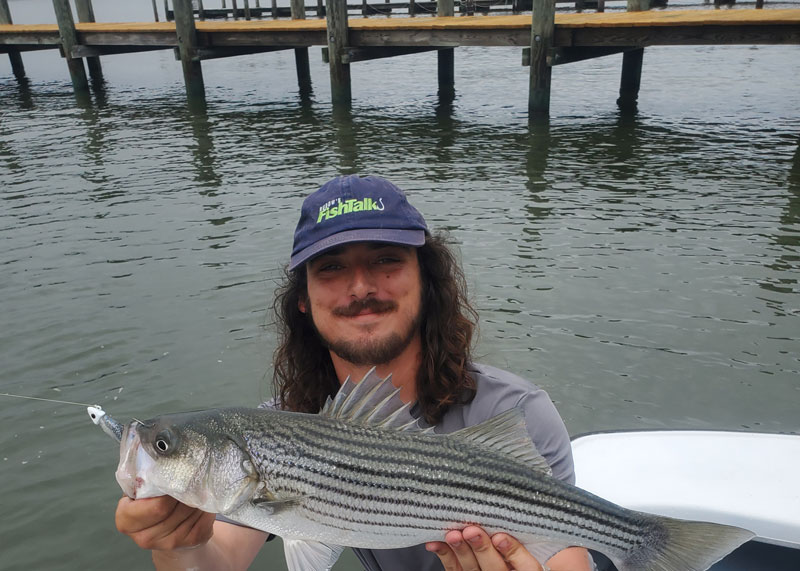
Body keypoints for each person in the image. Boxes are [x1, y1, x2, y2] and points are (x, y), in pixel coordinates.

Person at [116, 175, 593, 571]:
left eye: (386, 259)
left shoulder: (517, 410)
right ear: (303, 299)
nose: (361, 287)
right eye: (331, 268)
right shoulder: (282, 425)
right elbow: (215, 561)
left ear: (425, 282)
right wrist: (176, 542)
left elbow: (569, 553)